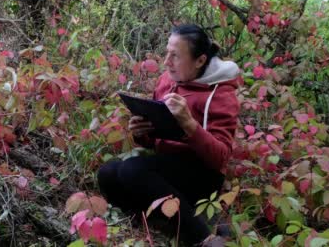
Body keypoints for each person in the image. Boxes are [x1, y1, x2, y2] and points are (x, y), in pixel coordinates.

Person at [97, 24, 241, 246]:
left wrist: (190, 125)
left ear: (200, 61)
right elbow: (156, 138)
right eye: (167, 53)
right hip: (168, 166)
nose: (166, 62)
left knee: (132, 169)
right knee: (107, 173)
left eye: (175, 56)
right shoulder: (168, 79)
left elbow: (220, 159)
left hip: (202, 174)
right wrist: (142, 133)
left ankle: (202, 237)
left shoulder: (221, 93)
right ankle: (156, 221)